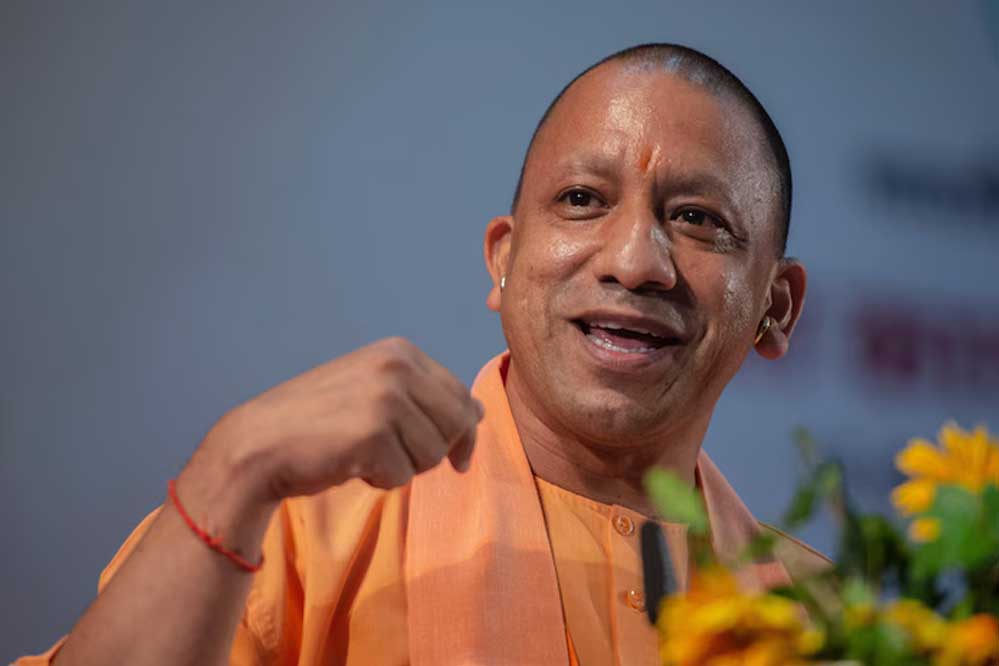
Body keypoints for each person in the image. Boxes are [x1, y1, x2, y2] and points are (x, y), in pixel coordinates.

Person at [16, 43, 827, 666]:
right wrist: (230, 471)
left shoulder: (826, 621)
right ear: (503, 259)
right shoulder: (292, 531)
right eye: (582, 200)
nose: (634, 261)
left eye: (696, 219)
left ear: (775, 306)